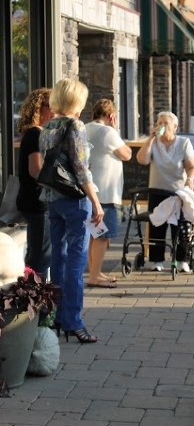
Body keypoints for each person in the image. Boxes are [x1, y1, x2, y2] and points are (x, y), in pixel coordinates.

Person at [39, 78, 104, 344]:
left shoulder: (47, 126)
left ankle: (56, 318)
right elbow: (80, 168)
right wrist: (96, 201)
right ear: (76, 100)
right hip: (75, 200)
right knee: (76, 264)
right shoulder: (75, 125)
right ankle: (74, 322)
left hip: (52, 198)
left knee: (58, 259)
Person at [136, 111, 194, 272]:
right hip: (157, 190)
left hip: (178, 192)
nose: (161, 126)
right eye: (159, 123)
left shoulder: (183, 143)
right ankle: (157, 260)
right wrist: (150, 138)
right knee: (157, 224)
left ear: (175, 127)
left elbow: (191, 166)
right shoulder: (154, 143)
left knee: (181, 226)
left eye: (165, 123)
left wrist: (190, 179)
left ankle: (182, 259)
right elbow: (142, 160)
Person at [85, 99, 132, 288]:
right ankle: (94, 276)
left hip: (91, 191)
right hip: (106, 193)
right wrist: (115, 128)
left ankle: (95, 272)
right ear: (111, 115)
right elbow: (127, 154)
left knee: (93, 236)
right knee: (102, 237)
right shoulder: (108, 132)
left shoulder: (85, 128)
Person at [16, 88, 53, 279]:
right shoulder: (36, 134)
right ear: (41, 108)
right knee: (40, 256)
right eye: (52, 106)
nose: (55, 111)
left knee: (39, 253)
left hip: (34, 200)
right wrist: (59, 182)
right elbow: (35, 170)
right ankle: (34, 300)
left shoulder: (36, 133)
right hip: (38, 202)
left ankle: (32, 297)